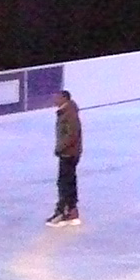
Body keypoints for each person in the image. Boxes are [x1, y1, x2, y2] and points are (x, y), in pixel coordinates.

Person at [47, 90, 83, 226]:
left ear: (64, 98)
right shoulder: (66, 111)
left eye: (56, 97)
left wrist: (60, 148)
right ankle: (72, 212)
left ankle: (63, 213)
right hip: (69, 152)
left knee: (64, 183)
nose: (53, 100)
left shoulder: (69, 113)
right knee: (68, 182)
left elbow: (71, 134)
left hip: (68, 153)